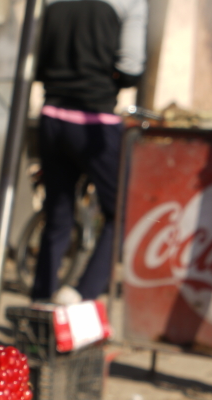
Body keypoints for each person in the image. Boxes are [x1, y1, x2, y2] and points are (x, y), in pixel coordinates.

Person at [30, 0, 147, 307]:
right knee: (123, 211)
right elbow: (131, 69)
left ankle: (41, 301)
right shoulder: (129, 2)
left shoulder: (52, 2)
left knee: (57, 214)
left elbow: (38, 62)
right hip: (95, 122)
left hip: (52, 117)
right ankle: (82, 295)